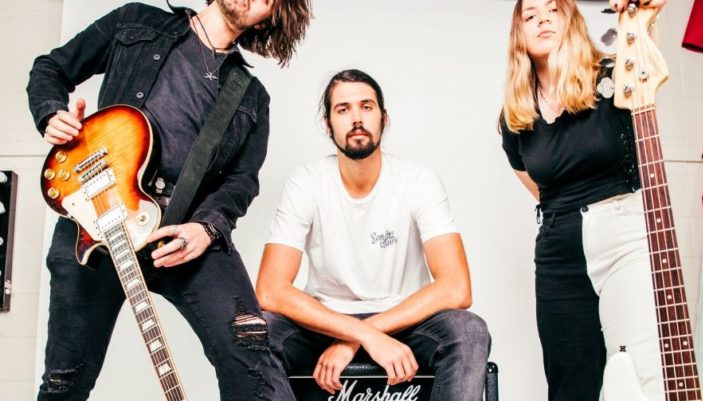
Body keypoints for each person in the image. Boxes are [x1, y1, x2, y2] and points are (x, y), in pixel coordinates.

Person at [26, 0, 311, 400]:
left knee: (250, 356)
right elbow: (50, 68)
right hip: (99, 219)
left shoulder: (251, 96)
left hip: (184, 231)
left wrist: (206, 228)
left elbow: (242, 180)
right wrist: (51, 113)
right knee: (65, 381)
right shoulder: (135, 21)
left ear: (269, 19)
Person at [256, 69, 491, 401]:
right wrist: (358, 334)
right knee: (257, 333)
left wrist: (359, 337)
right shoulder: (306, 182)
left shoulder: (418, 180)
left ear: (384, 118)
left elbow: (456, 287)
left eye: (366, 107)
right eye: (343, 109)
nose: (356, 118)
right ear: (328, 124)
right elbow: (270, 290)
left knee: (469, 331)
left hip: (406, 323)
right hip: (325, 325)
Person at [498, 0, 668, 400]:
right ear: (519, 33)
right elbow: (534, 180)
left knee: (638, 372)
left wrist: (646, 13)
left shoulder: (612, 75)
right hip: (559, 251)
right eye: (530, 15)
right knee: (570, 380)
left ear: (570, 19)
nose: (542, 19)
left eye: (552, 10)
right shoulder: (515, 114)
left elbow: (646, 60)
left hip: (625, 237)